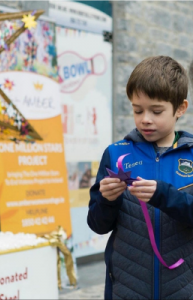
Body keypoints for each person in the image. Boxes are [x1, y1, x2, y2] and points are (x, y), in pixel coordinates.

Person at [87, 56, 193, 299]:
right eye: (137, 110)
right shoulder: (115, 154)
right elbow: (97, 225)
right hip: (127, 289)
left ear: (180, 108)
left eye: (156, 111)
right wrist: (106, 199)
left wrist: (163, 195)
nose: (145, 118)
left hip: (183, 288)